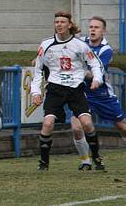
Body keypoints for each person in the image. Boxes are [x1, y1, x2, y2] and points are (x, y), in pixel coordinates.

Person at [70, 16, 126, 171]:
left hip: (101, 94)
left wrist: (77, 70)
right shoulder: (80, 42)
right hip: (82, 93)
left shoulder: (106, 50)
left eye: (96, 27)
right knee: (76, 127)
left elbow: (94, 73)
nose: (92, 30)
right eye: (91, 27)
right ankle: (85, 161)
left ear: (103, 31)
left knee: (122, 126)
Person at [31, 11, 104, 171]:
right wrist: (35, 92)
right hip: (55, 88)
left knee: (86, 123)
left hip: (75, 89)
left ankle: (97, 158)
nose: (59, 25)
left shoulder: (80, 45)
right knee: (48, 124)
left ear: (69, 25)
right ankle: (44, 163)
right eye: (56, 22)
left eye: (63, 22)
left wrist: (97, 79)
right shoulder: (46, 45)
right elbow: (37, 70)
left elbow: (95, 64)